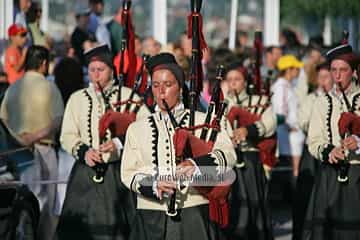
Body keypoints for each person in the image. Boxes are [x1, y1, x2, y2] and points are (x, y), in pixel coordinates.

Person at [121, 52, 236, 240]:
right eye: (156, 85)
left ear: (180, 88)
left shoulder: (204, 121)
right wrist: (154, 184)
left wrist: (197, 165)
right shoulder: (136, 128)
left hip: (194, 212)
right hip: (151, 216)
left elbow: (228, 157)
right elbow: (128, 173)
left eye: (168, 85)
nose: (161, 91)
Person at [57, 44, 149, 239]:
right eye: (92, 70)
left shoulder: (128, 97)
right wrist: (83, 151)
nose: (96, 75)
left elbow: (146, 130)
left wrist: (119, 143)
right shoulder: (77, 98)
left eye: (101, 69)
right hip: (84, 174)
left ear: (111, 70)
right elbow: (67, 134)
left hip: (117, 173)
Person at [0, 45, 64, 240]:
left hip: (16, 151)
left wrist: (18, 138)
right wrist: (36, 136)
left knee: (22, 203)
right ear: (44, 63)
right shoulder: (49, 87)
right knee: (46, 204)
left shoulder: (12, 88)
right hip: (43, 149)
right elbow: (58, 121)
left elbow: (2, 119)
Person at [302, 44, 360, 240]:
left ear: (353, 72)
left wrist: (358, 143)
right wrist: (330, 152)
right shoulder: (321, 102)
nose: (337, 76)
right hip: (329, 176)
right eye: (333, 70)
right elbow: (314, 141)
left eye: (343, 70)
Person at [224, 61, 276, 240]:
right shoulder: (221, 104)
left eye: (237, 79)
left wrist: (248, 130)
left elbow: (270, 124)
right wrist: (228, 137)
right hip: (230, 160)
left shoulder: (259, 101)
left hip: (251, 160)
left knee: (254, 203)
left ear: (245, 82)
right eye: (229, 79)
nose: (233, 83)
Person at [292, 62, 333, 240]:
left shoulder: (338, 99)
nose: (323, 81)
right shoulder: (310, 99)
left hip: (332, 151)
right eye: (320, 77)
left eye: (326, 77)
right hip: (312, 152)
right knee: (307, 193)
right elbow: (302, 122)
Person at [271, 55, 305, 179]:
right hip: (288, 137)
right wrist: (289, 127)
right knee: (293, 171)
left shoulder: (287, 85)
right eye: (296, 68)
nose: (298, 71)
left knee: (294, 170)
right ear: (289, 69)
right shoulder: (282, 87)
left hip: (291, 135)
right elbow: (280, 111)